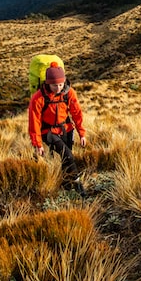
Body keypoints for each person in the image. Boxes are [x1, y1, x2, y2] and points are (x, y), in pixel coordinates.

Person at [28, 63, 87, 193]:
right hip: (48, 132)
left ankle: (65, 187)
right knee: (69, 156)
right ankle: (78, 185)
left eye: (61, 84)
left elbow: (77, 113)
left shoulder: (69, 92)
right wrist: (38, 144)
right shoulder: (38, 98)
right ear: (47, 83)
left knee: (66, 160)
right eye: (55, 85)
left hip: (66, 129)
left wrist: (82, 133)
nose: (58, 88)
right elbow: (34, 122)